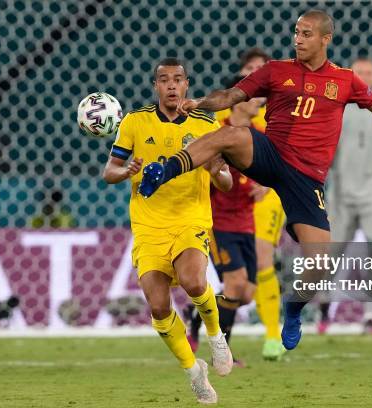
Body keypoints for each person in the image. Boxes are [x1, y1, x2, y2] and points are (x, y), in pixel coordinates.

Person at [137, 10, 372, 351]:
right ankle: (165, 171)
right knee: (232, 134)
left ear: (325, 39)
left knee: (319, 264)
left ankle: (294, 309)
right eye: (296, 32)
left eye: (307, 33)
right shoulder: (276, 71)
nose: (298, 38)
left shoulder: (344, 80)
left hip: (306, 179)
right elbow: (229, 97)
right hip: (270, 154)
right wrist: (198, 103)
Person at [102, 57, 234, 404]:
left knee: (193, 281)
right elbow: (109, 172)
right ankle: (195, 372)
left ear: (187, 85)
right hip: (148, 227)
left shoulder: (208, 124)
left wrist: (217, 170)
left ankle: (216, 335)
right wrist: (127, 170)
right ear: (156, 86)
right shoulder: (134, 122)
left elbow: (227, 182)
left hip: (190, 219)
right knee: (158, 307)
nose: (171, 85)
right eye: (164, 80)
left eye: (178, 79)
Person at [317, 56, 372, 335]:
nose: (365, 77)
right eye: (360, 73)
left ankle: (369, 315)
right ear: (350, 77)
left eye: (370, 73)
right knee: (331, 255)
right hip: (341, 193)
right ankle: (322, 308)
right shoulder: (336, 109)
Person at [188, 90, 266, 367]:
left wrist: (265, 185)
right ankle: (224, 354)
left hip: (246, 222)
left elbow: (271, 171)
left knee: (246, 294)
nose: (260, 101)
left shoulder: (258, 134)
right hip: (219, 222)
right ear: (239, 103)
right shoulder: (217, 133)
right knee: (235, 284)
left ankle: (197, 315)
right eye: (256, 97)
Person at [218, 47, 287, 360]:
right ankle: (219, 335)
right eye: (250, 69)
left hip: (266, 194)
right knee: (244, 285)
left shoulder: (281, 111)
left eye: (261, 69)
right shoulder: (224, 115)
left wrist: (269, 181)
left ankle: (273, 336)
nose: (255, 75)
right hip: (232, 202)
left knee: (261, 264)